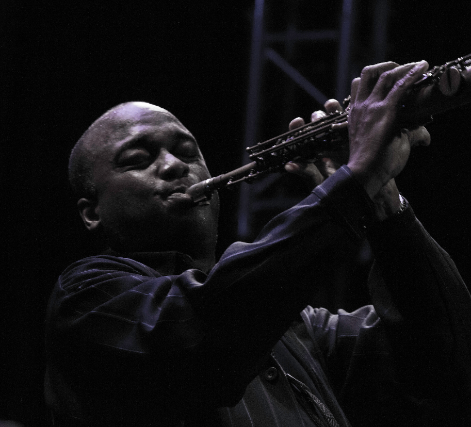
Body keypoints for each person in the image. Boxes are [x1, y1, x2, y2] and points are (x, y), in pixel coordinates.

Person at [44, 61, 471, 426]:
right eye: (138, 160)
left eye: (188, 152)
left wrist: (382, 200)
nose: (174, 166)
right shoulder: (84, 299)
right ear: (91, 212)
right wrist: (355, 180)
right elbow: (203, 333)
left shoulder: (300, 329)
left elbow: (444, 359)